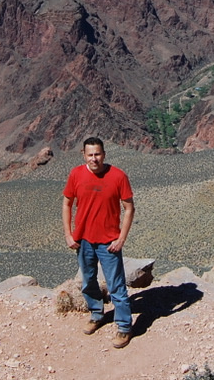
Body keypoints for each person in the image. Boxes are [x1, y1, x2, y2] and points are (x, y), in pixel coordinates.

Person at [62, 136, 135, 348]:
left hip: (109, 242)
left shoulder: (118, 176)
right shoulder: (76, 174)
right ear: (84, 155)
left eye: (98, 154)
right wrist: (69, 234)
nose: (94, 158)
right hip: (83, 240)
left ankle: (124, 327)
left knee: (116, 286)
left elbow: (129, 208)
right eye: (90, 154)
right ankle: (96, 313)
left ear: (104, 154)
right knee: (88, 281)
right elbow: (67, 203)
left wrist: (121, 238)